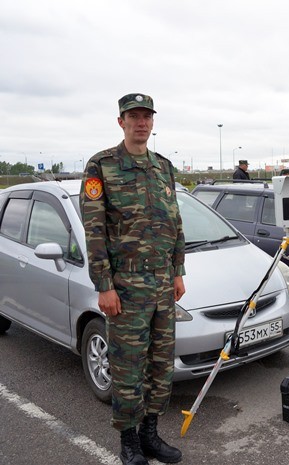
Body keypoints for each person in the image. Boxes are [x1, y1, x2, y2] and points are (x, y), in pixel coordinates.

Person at [80, 93, 185, 465]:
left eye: (146, 116)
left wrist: (178, 271)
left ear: (153, 123)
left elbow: (175, 223)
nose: (141, 122)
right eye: (133, 116)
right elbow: (94, 232)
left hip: (161, 286)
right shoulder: (102, 165)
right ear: (121, 121)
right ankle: (129, 441)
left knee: (161, 364)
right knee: (127, 366)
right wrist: (103, 285)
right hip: (124, 288)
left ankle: (150, 434)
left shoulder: (163, 167)